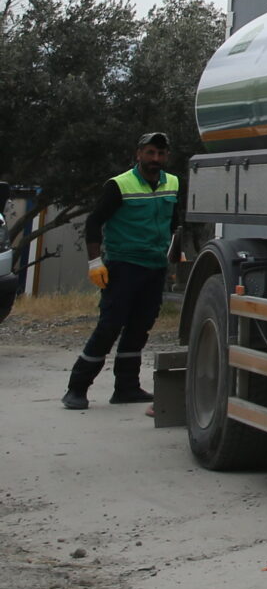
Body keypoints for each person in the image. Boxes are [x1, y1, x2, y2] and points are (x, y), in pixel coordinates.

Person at [64, 132, 187, 410]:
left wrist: (177, 252)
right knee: (109, 326)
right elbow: (94, 223)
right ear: (139, 154)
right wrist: (95, 262)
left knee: (140, 328)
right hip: (123, 266)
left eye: (161, 153)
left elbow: (174, 222)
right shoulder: (119, 185)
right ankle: (77, 388)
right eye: (150, 153)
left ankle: (127, 387)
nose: (155, 159)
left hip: (154, 267)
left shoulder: (173, 183)